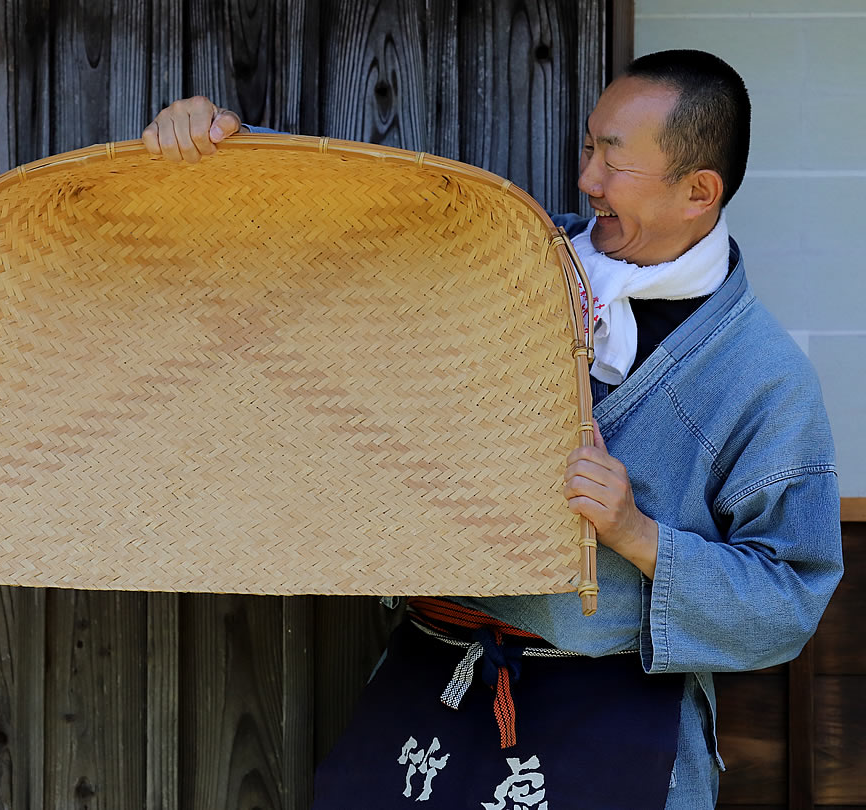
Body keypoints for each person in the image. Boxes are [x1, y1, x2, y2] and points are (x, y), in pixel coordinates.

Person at [142, 50, 843, 808]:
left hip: (612, 712)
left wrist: (637, 532)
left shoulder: (763, 376)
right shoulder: (510, 266)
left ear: (698, 191)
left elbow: (788, 598)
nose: (586, 181)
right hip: (434, 678)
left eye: (614, 161)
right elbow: (365, 235)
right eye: (587, 146)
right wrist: (231, 142)